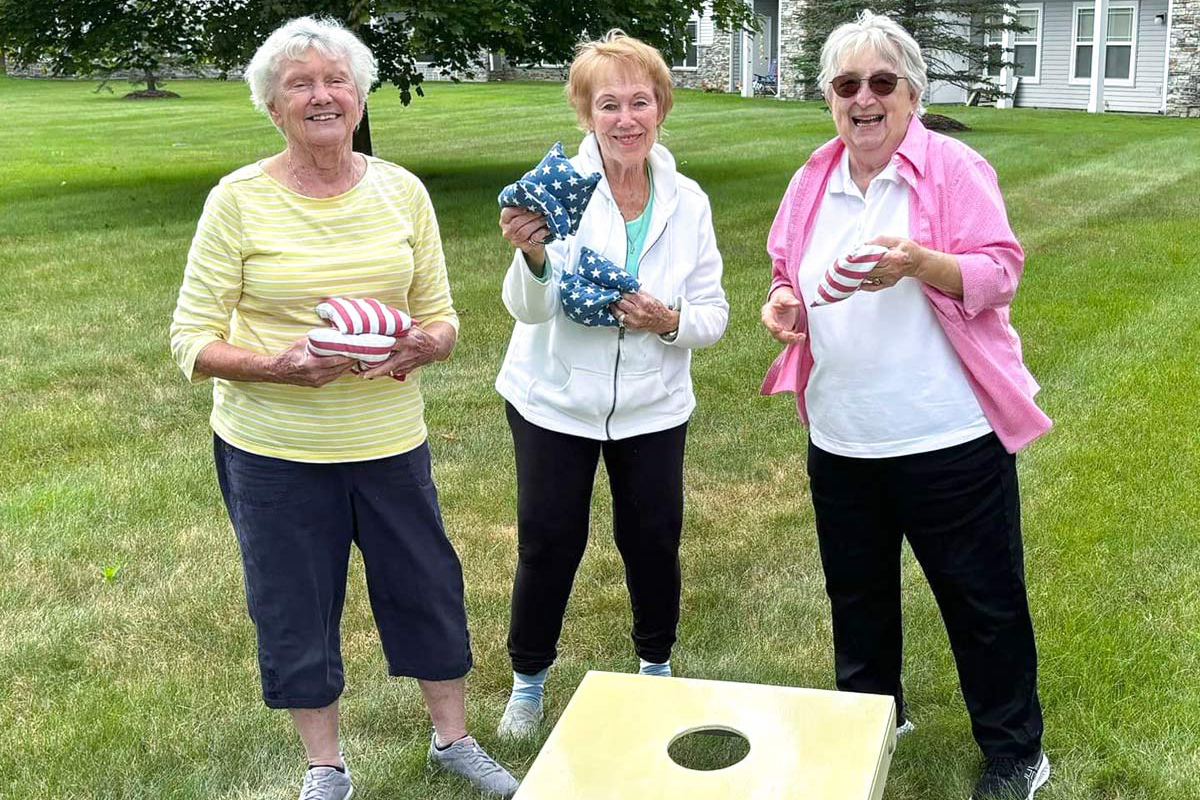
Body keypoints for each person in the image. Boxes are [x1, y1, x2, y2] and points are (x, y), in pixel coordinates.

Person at [168, 16, 517, 800]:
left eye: (337, 82)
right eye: (301, 85)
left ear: (359, 98)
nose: (322, 96)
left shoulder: (402, 191)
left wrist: (430, 343)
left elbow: (442, 313)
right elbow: (190, 340)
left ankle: (452, 742)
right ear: (272, 106)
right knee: (294, 604)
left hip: (389, 439)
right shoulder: (238, 202)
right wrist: (278, 366)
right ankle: (325, 766)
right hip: (274, 449)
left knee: (426, 587)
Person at [759, 11, 1051, 800]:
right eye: (847, 84)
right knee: (857, 601)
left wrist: (924, 263)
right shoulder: (813, 176)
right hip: (844, 435)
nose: (864, 98)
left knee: (982, 603)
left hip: (946, 435)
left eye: (881, 83)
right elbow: (787, 267)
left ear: (911, 93)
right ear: (828, 97)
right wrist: (782, 302)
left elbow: (1000, 272)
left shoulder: (952, 167)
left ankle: (1015, 750)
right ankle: (874, 724)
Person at [494, 31, 728, 738]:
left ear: (662, 107)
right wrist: (532, 257)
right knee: (549, 538)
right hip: (554, 399)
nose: (626, 118)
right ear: (584, 113)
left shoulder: (688, 201)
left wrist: (667, 321)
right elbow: (528, 311)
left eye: (641, 101)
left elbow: (711, 316)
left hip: (654, 406)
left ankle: (654, 668)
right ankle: (528, 682)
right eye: (608, 104)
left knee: (654, 536)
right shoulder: (557, 192)